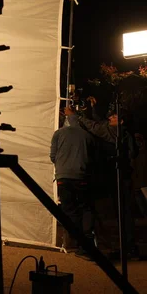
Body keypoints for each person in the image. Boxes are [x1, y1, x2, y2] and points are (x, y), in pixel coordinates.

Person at [65, 104, 140, 259]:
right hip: (120, 177)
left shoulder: (117, 132)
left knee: (122, 213)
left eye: (114, 117)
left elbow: (96, 128)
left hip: (119, 177)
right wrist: (89, 110)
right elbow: (99, 124)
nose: (110, 118)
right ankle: (128, 248)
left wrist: (74, 116)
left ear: (121, 122)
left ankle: (129, 249)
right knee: (122, 213)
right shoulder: (122, 132)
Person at [50, 112, 97, 260]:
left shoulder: (58, 134)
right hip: (81, 176)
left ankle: (75, 239)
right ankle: (86, 241)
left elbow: (52, 156)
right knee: (86, 207)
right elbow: (92, 158)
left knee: (69, 208)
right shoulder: (88, 136)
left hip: (63, 176)